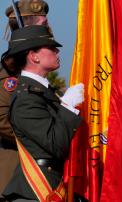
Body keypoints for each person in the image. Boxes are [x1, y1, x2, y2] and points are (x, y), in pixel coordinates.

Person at [1, 25, 84, 201]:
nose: (57, 52)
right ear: (34, 56)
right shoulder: (26, 99)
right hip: (35, 190)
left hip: (51, 184)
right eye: (51, 48)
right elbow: (56, 143)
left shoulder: (40, 92)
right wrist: (68, 106)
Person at [0, 0, 50, 200]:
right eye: (43, 25)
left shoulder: (41, 73)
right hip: (17, 179)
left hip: (44, 182)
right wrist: (45, 140)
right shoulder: (9, 77)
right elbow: (2, 120)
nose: (48, 31)